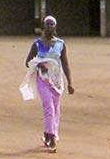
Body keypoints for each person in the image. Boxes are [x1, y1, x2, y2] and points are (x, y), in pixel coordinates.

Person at [22, 16, 74, 151]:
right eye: (47, 24)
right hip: (43, 80)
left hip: (57, 81)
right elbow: (28, 61)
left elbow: (65, 64)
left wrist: (70, 83)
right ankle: (51, 138)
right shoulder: (37, 44)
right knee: (49, 107)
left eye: (52, 25)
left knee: (56, 109)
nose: (49, 27)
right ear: (43, 27)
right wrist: (39, 65)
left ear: (55, 27)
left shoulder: (61, 44)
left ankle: (48, 133)